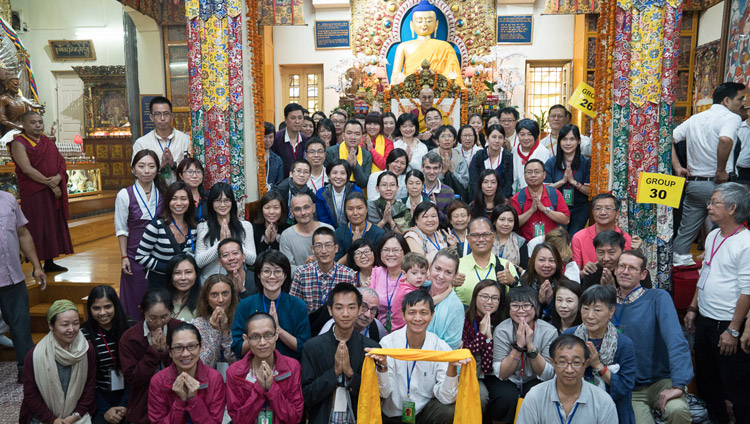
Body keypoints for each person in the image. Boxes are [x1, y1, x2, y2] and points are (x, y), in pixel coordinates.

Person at [684, 183, 750, 423]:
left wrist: (733, 330)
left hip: (728, 325)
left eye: (714, 202)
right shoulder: (713, 234)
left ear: (732, 208)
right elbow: (705, 275)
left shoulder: (746, 243)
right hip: (706, 320)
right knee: (706, 381)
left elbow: (747, 291)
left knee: (736, 386)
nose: (708, 207)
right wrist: (693, 307)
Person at [612, 250, 693, 424]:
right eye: (622, 266)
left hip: (662, 381)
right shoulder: (607, 303)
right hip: (630, 388)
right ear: (615, 270)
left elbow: (676, 340)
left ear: (643, 274)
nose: (625, 271)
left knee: (677, 410)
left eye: (632, 268)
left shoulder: (657, 298)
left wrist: (678, 385)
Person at [366, 290, 470, 424]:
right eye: (412, 312)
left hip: (423, 412)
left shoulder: (441, 348)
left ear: (432, 315)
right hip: (393, 414)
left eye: (424, 313)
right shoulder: (388, 344)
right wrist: (382, 367)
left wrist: (451, 368)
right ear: (403, 315)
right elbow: (384, 393)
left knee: (449, 411)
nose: (418, 318)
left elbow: (447, 398)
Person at [672, 82, 746, 266]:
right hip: (720, 186)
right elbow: (725, 139)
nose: (743, 103)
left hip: (695, 185)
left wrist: (677, 166)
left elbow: (668, 139)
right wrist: (720, 170)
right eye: (740, 98)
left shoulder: (695, 119)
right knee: (728, 229)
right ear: (727, 100)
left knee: (686, 232)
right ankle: (720, 266)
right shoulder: (731, 118)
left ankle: (679, 266)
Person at [301, 283, 380, 423]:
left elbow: (374, 396)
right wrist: (335, 372)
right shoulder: (312, 348)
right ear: (330, 310)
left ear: (360, 309)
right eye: (339, 308)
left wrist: (350, 373)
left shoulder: (370, 348)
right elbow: (307, 396)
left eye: (351, 307)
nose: (345, 313)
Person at [8, 110, 72, 272]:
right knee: (37, 225)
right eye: (33, 122)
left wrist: (58, 177)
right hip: (34, 192)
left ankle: (49, 262)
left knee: (51, 225)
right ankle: (37, 263)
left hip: (51, 191)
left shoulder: (47, 142)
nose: (38, 125)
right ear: (23, 125)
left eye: (40, 122)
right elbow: (27, 169)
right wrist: (51, 184)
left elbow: (60, 163)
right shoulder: (19, 143)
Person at [563, 285, 637, 424]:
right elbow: (559, 375)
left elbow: (624, 387)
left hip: (614, 410)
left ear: (611, 311)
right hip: (574, 408)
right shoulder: (569, 336)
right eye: (585, 309)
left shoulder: (624, 344)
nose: (590, 316)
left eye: (597, 310)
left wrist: (598, 366)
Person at [19, 300, 96, 424]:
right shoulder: (35, 355)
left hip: (77, 416)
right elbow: (31, 394)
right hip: (42, 417)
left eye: (76, 323)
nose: (72, 329)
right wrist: (52, 420)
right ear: (51, 326)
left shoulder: (86, 350)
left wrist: (76, 415)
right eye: (65, 324)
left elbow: (90, 387)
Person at [515, 334, 618, 423]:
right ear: (552, 363)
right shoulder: (535, 396)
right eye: (562, 362)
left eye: (576, 363)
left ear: (585, 364)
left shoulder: (603, 401)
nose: (569, 370)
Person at [490, 286, 557, 422]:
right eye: (515, 306)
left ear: (536, 307)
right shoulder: (502, 330)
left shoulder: (549, 331)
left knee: (535, 393)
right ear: (508, 308)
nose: (521, 311)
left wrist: (530, 345)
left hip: (534, 379)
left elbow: (548, 374)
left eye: (526, 305)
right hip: (509, 379)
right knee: (506, 397)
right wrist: (519, 346)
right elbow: (502, 373)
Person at [226, 312, 304, 424]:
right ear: (246, 339)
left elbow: (294, 417)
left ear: (276, 334)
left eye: (268, 335)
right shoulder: (234, 372)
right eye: (255, 337)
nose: (262, 342)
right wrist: (260, 388)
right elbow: (238, 420)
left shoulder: (292, 367)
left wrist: (272, 388)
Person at [0, 188, 45, 383]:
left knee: (21, 326)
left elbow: (23, 233)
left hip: (13, 278)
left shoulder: (8, 199)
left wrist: (37, 266)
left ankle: (25, 370)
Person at [232, 250, 310, 360]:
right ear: (259, 274)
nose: (272, 276)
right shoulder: (245, 305)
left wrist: (279, 330)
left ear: (285, 275)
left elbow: (303, 347)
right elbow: (238, 348)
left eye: (278, 271)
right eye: (266, 271)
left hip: (288, 369)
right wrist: (260, 335)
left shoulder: (298, 305)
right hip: (253, 368)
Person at [120, 288, 182, 424]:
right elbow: (132, 378)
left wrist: (165, 353)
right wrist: (153, 352)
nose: (159, 322)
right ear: (142, 310)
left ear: (171, 311)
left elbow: (185, 368)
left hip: (177, 399)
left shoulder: (180, 329)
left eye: (165, 317)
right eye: (152, 317)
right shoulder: (129, 337)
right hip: (143, 404)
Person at [116, 150, 165, 318]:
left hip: (158, 252)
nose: (146, 171)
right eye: (141, 166)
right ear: (133, 169)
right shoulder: (124, 194)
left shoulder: (163, 193)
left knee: (158, 298)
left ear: (157, 169)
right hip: (134, 254)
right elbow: (121, 229)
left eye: (151, 166)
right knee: (136, 296)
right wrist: (124, 257)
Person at [147, 322, 226, 423]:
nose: (185, 354)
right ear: (170, 351)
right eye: (178, 348)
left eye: (192, 346)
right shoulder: (158, 381)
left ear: (201, 346)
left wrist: (193, 399)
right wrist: (180, 401)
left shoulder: (214, 378)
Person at [80, 285, 132, 424]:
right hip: (99, 396)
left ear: (115, 305)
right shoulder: (83, 334)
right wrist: (105, 409)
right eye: (96, 308)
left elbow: (137, 371)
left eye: (107, 306)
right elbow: (86, 379)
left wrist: (124, 404)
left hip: (130, 393)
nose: (102, 313)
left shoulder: (131, 328)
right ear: (90, 309)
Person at [291, 227, 357, 332]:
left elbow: (352, 307)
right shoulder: (301, 273)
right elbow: (293, 306)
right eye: (318, 246)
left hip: (339, 327)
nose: (324, 251)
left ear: (336, 248)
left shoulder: (348, 274)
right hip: (308, 327)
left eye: (328, 245)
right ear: (312, 249)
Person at [135, 181, 197, 289]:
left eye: (183, 199)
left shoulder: (194, 228)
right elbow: (141, 256)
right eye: (174, 198)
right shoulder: (156, 226)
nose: (179, 203)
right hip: (159, 284)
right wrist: (170, 270)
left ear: (189, 202)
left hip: (185, 285)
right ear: (168, 201)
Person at [195, 182, 256, 282]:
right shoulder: (203, 227)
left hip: (237, 280)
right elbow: (199, 261)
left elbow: (252, 259)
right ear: (212, 203)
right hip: (210, 282)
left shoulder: (245, 226)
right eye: (218, 201)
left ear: (232, 202)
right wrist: (220, 243)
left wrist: (233, 244)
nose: (223, 205)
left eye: (227, 200)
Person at [462, 280, 506, 413]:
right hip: (470, 372)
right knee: (480, 396)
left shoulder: (502, 322)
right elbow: (466, 353)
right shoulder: (465, 319)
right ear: (475, 297)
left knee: (507, 396)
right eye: (484, 296)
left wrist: (489, 340)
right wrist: (481, 335)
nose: (489, 302)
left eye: (494, 298)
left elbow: (487, 367)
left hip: (492, 373)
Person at [454, 217, 519, 306]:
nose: (481, 239)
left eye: (486, 234)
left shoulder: (505, 266)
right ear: (468, 239)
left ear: (493, 237)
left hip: (497, 318)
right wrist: (450, 284)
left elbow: (520, 299)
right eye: (475, 235)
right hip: (463, 317)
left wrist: (512, 282)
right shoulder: (456, 265)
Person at [544, 124, 591, 236]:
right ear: (559, 141)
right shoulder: (551, 162)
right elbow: (545, 189)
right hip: (557, 209)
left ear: (579, 141)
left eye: (572, 139)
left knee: (574, 238)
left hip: (580, 209)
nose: (568, 143)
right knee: (558, 239)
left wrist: (574, 183)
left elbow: (590, 192)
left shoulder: (586, 163)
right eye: (564, 139)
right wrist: (562, 181)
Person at [132, 97, 190, 184]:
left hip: (180, 191)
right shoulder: (141, 143)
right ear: (151, 117)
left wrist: (173, 165)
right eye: (158, 114)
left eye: (166, 114)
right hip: (153, 190)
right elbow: (135, 172)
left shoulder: (186, 140)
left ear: (172, 116)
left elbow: (194, 169)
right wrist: (159, 165)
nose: (162, 118)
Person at [571, 192, 637, 268]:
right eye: (598, 208)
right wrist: (585, 272)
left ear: (617, 214)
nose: (602, 213)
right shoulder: (579, 237)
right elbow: (575, 274)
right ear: (592, 212)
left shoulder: (625, 238)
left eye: (608, 208)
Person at [511, 159, 570, 241]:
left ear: (544, 175)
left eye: (537, 172)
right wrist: (531, 210)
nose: (533, 175)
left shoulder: (554, 194)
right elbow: (513, 224)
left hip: (552, 242)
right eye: (529, 172)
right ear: (524, 176)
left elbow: (566, 220)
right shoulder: (518, 198)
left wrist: (544, 209)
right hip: (527, 243)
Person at [279, 193, 334, 274]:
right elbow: (287, 269)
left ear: (313, 208)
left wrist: (321, 264)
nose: (303, 212)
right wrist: (306, 268)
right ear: (292, 212)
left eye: (306, 207)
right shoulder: (286, 236)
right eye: (297, 209)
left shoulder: (328, 229)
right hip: (300, 283)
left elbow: (336, 261)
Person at [191, 274, 237, 370]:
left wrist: (225, 332)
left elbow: (235, 362)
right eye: (214, 295)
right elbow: (204, 365)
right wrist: (215, 331)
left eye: (225, 294)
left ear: (231, 295)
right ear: (206, 298)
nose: (220, 300)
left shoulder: (239, 320)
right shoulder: (199, 324)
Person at [580, 230, 652, 289]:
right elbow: (588, 303)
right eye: (600, 252)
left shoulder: (637, 272)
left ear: (623, 250)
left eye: (611, 252)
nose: (606, 258)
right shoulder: (592, 272)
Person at [370, 232, 411, 332]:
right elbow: (370, 302)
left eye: (395, 250)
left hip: (405, 330)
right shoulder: (377, 272)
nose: (390, 254)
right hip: (379, 329)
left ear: (405, 252)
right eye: (386, 250)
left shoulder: (412, 274)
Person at [426, 249, 465, 349]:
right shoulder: (417, 288)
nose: (441, 276)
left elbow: (452, 345)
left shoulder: (455, 306)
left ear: (455, 275)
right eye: (438, 269)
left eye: (448, 272)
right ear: (430, 268)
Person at [319, 286, 388, 342]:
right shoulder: (330, 329)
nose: (368, 315)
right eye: (363, 307)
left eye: (373, 309)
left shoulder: (377, 327)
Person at [335, 191, 385, 261]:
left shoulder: (378, 233)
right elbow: (337, 265)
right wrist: (353, 248)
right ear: (345, 211)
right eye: (350, 209)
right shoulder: (339, 233)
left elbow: (379, 263)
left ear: (366, 209)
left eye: (359, 208)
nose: (355, 213)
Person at [387, 252, 430, 332]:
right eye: (414, 273)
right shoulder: (407, 291)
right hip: (401, 330)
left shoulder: (405, 281)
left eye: (423, 273)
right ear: (404, 273)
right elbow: (429, 302)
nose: (419, 276)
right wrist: (446, 292)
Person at [521, 242, 564, 320]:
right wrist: (539, 301)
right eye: (542, 260)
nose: (547, 265)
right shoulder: (523, 283)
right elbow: (521, 315)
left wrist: (550, 302)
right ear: (533, 261)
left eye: (551, 260)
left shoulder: (564, 284)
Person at [325, 120, 373, 190]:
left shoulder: (367, 155)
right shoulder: (331, 152)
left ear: (362, 137)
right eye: (349, 133)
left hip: (357, 194)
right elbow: (327, 178)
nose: (353, 137)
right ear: (343, 135)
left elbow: (364, 183)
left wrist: (355, 165)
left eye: (357, 134)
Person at [469, 124, 514, 199]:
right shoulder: (478, 156)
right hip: (480, 200)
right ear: (486, 138)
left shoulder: (508, 157)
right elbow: (474, 183)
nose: (497, 141)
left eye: (500, 137)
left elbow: (508, 184)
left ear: (504, 140)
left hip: (501, 201)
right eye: (493, 137)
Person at [316, 159, 364, 228]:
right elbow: (323, 219)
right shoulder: (321, 194)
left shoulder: (356, 191)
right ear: (329, 175)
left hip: (352, 230)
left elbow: (359, 216)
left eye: (342, 173)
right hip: (329, 231)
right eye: (334, 173)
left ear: (348, 176)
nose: (338, 176)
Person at [512, 119, 551, 192]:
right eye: (522, 134)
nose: (526, 138)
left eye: (530, 134)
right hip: (517, 195)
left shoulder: (543, 152)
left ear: (535, 135)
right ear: (517, 135)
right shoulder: (514, 150)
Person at [368, 169, 411, 234]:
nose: (388, 189)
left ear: (397, 188)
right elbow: (369, 235)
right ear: (377, 188)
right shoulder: (370, 206)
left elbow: (405, 236)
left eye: (392, 185)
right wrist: (383, 221)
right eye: (384, 185)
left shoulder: (402, 208)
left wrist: (390, 221)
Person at [272, 103, 308, 176]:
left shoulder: (305, 139)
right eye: (293, 118)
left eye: (300, 118)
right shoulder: (276, 138)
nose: (297, 121)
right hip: (281, 183)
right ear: (285, 120)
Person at [435, 125, 469, 197]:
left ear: (454, 140)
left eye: (450, 136)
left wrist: (452, 171)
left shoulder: (459, 157)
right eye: (443, 136)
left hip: (456, 195)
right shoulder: (431, 157)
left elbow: (465, 184)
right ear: (437, 141)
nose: (447, 139)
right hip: (434, 195)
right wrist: (443, 172)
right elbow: (427, 182)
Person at [491, 204, 529, 269]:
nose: (506, 224)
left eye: (510, 220)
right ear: (494, 221)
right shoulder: (486, 239)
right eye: (502, 219)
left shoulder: (520, 242)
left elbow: (524, 270)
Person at [164, 253, 200, 321]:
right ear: (170, 276)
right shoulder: (161, 301)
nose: (183, 278)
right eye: (177, 273)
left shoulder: (204, 302)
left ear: (196, 274)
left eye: (188, 272)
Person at [176, 157, 207, 222]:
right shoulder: (176, 198)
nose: (195, 176)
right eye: (189, 172)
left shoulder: (207, 197)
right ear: (181, 175)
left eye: (198, 172)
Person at [262, 121, 284, 190]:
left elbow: (279, 183)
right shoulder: (252, 158)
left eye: (271, 137)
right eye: (265, 137)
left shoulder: (277, 160)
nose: (268, 140)